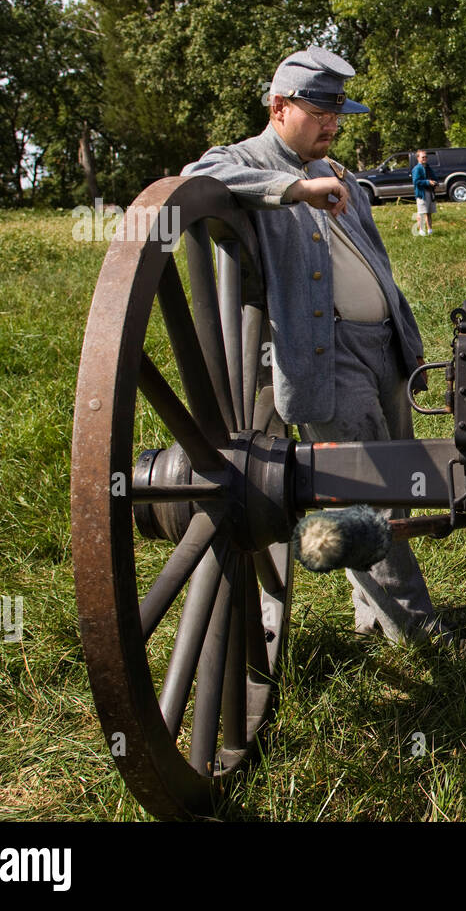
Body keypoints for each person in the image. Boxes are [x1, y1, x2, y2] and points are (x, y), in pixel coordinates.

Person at [182, 45, 444, 644]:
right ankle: (416, 625)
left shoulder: (339, 171)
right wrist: (292, 190)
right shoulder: (248, 161)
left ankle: (373, 610)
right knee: (367, 486)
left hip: (382, 345)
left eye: (338, 116)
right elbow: (197, 177)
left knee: (398, 481)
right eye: (320, 113)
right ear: (278, 107)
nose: (332, 125)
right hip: (324, 355)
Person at [411, 149, 438, 236]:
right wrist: (427, 182)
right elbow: (416, 181)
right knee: (421, 212)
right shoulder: (416, 169)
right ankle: (421, 230)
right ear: (418, 158)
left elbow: (434, 177)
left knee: (429, 212)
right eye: (423, 157)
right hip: (422, 193)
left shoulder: (428, 167)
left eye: (426, 157)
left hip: (430, 192)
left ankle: (430, 230)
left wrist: (435, 182)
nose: (425, 158)